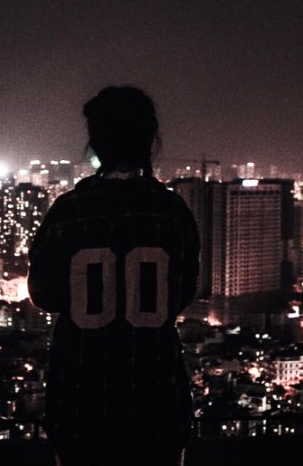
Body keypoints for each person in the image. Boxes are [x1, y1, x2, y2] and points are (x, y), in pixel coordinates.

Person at [28, 86, 200, 466]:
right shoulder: (172, 212)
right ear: (148, 141)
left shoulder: (68, 210)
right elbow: (184, 293)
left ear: (95, 142)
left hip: (81, 395)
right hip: (155, 395)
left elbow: (43, 295)